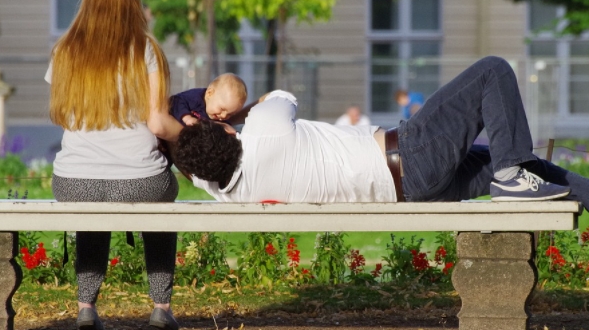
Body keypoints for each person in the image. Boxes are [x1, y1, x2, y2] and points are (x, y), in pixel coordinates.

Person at [168, 56, 589, 209]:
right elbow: (280, 96)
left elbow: (194, 167)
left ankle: (523, 177)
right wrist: (233, 115)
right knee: (492, 71)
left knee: (520, 162)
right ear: (223, 133)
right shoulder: (265, 127)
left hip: (416, 191)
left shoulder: (224, 189)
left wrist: (195, 133)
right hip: (412, 154)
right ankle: (512, 176)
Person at [46, 0, 184, 330]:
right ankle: (160, 307)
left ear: (88, 0)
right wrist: (188, 130)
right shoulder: (145, 49)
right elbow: (158, 124)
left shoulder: (65, 49)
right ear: (132, 2)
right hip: (140, 181)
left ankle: (86, 307)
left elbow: (62, 115)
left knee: (92, 203)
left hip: (73, 181)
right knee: (162, 198)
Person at [170, 73, 247, 126]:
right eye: (222, 109)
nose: (223, 116)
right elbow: (176, 101)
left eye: (230, 114)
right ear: (209, 93)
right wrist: (187, 118)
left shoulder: (221, 119)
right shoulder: (195, 97)